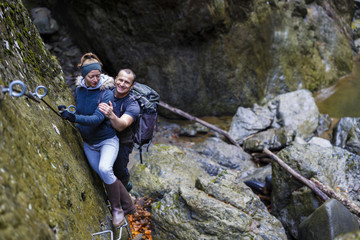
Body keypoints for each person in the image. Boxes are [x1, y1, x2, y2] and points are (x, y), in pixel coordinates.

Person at [59, 53, 135, 227]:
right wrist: (68, 112)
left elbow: (95, 119)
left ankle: (118, 210)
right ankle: (129, 204)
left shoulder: (106, 93)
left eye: (97, 76)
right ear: (84, 76)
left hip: (107, 140)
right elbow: (80, 110)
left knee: (104, 168)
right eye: (91, 77)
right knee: (104, 174)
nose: (95, 80)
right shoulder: (79, 90)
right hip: (89, 143)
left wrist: (73, 117)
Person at [98, 69, 140, 191]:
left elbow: (121, 125)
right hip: (104, 135)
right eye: (120, 80)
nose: (122, 84)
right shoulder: (106, 92)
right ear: (115, 79)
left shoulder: (133, 105)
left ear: (132, 86)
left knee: (119, 169)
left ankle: (124, 189)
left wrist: (111, 115)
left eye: (126, 82)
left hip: (123, 141)